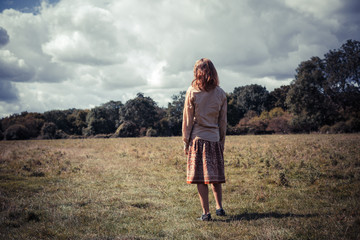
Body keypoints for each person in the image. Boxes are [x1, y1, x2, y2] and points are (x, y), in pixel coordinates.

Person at [182, 58, 227, 221]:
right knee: (214, 176)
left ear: (197, 72)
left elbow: (187, 120)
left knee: (201, 179)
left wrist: (185, 141)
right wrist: (221, 141)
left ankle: (206, 214)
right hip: (214, 139)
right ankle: (219, 208)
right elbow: (223, 121)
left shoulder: (192, 91)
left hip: (198, 139)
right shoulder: (221, 93)